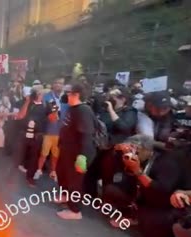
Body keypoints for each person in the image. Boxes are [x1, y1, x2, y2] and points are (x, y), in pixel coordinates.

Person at [105, 135, 184, 237]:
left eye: (136, 150)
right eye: (131, 149)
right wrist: (116, 151)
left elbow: (161, 190)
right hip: (141, 196)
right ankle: (133, 215)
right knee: (111, 190)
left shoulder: (166, 163)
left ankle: (141, 217)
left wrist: (137, 172)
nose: (133, 153)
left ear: (147, 150)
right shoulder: (135, 157)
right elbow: (115, 175)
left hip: (161, 204)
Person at [84, 88, 137, 198]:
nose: (109, 99)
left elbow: (124, 127)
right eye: (109, 96)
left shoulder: (130, 112)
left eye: (113, 97)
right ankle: (90, 197)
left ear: (123, 99)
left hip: (116, 149)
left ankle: (107, 201)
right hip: (100, 146)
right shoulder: (104, 110)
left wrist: (112, 111)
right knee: (91, 171)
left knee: (108, 176)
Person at [56, 84, 96, 220]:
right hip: (67, 151)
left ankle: (75, 211)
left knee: (75, 181)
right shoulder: (73, 109)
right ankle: (66, 196)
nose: (66, 95)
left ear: (76, 94)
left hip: (79, 153)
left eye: (69, 93)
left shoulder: (83, 110)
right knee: (62, 173)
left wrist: (82, 157)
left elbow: (86, 135)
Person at [10, 88, 49, 186]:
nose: (39, 95)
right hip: (24, 134)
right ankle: (11, 176)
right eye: (37, 93)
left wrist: (55, 109)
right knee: (17, 156)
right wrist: (27, 101)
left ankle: (30, 177)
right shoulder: (26, 103)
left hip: (37, 136)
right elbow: (20, 116)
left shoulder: (46, 105)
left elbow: (53, 118)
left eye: (41, 93)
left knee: (34, 158)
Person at [34, 76, 68, 181]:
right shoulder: (47, 97)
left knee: (55, 154)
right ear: (53, 84)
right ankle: (39, 170)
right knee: (44, 153)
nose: (59, 85)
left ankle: (53, 171)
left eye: (61, 83)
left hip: (60, 131)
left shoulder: (65, 98)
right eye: (57, 83)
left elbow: (69, 112)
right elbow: (42, 111)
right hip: (48, 130)